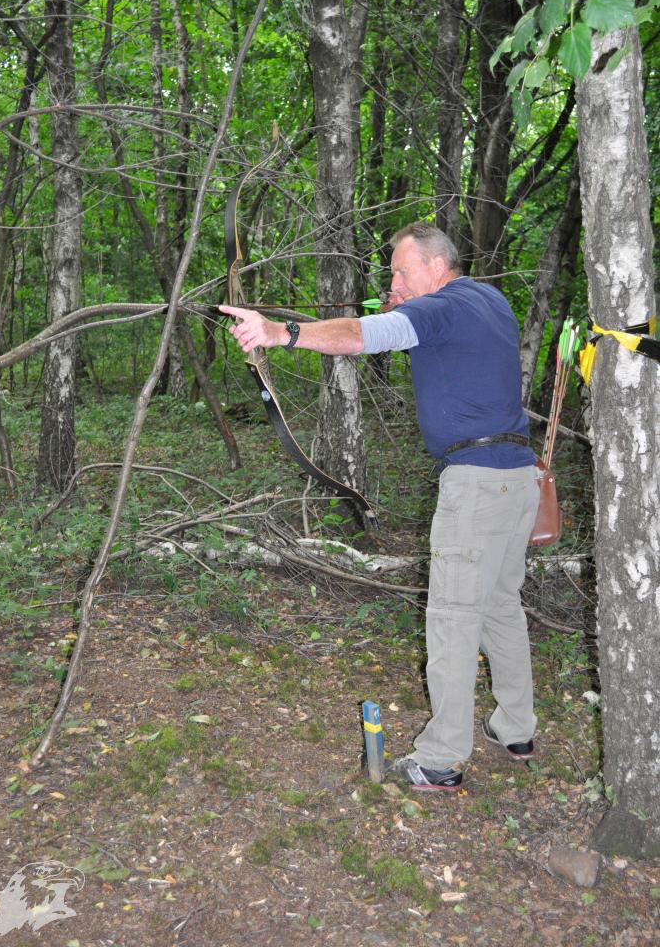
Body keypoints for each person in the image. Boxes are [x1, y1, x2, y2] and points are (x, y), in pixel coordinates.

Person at [220, 222, 540, 792]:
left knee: (452, 617)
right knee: (499, 606)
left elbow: (369, 335)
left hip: (477, 485)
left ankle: (442, 758)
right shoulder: (488, 300)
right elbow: (413, 329)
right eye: (391, 273)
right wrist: (405, 306)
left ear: (438, 266)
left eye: (401, 269)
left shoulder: (446, 306)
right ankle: (515, 727)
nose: (393, 279)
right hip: (518, 479)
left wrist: (278, 331)